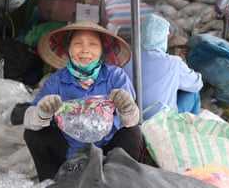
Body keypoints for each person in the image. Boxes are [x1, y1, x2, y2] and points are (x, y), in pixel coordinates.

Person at [23, 20, 144, 181]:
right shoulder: (57, 81)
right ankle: (54, 182)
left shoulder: (116, 76)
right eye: (78, 44)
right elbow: (28, 119)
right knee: (33, 134)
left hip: (108, 151)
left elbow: (132, 121)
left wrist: (127, 109)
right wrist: (42, 113)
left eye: (93, 45)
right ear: (69, 49)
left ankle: (120, 182)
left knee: (133, 133)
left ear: (102, 50)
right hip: (68, 151)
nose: (85, 50)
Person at [123, 14, 203, 120]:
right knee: (193, 92)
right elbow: (197, 84)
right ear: (163, 37)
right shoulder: (173, 62)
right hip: (161, 121)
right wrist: (183, 64)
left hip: (132, 118)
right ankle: (189, 130)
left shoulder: (126, 58)